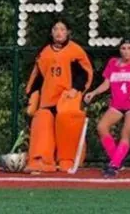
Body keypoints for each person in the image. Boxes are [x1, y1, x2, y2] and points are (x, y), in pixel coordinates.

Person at [24, 19, 94, 173]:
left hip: (67, 97)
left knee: (67, 122)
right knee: (42, 120)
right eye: (55, 29)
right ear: (51, 32)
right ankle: (41, 160)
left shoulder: (75, 51)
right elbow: (37, 77)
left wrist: (76, 89)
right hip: (48, 98)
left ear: (68, 32)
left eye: (62, 29)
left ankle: (68, 160)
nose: (59, 32)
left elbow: (84, 73)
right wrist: (31, 95)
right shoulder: (44, 52)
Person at [83, 39, 130, 177]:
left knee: (125, 132)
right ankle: (117, 159)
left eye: (129, 48)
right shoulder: (113, 63)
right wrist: (94, 93)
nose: (126, 51)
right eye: (123, 48)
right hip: (117, 104)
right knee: (101, 127)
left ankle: (114, 165)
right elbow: (106, 83)